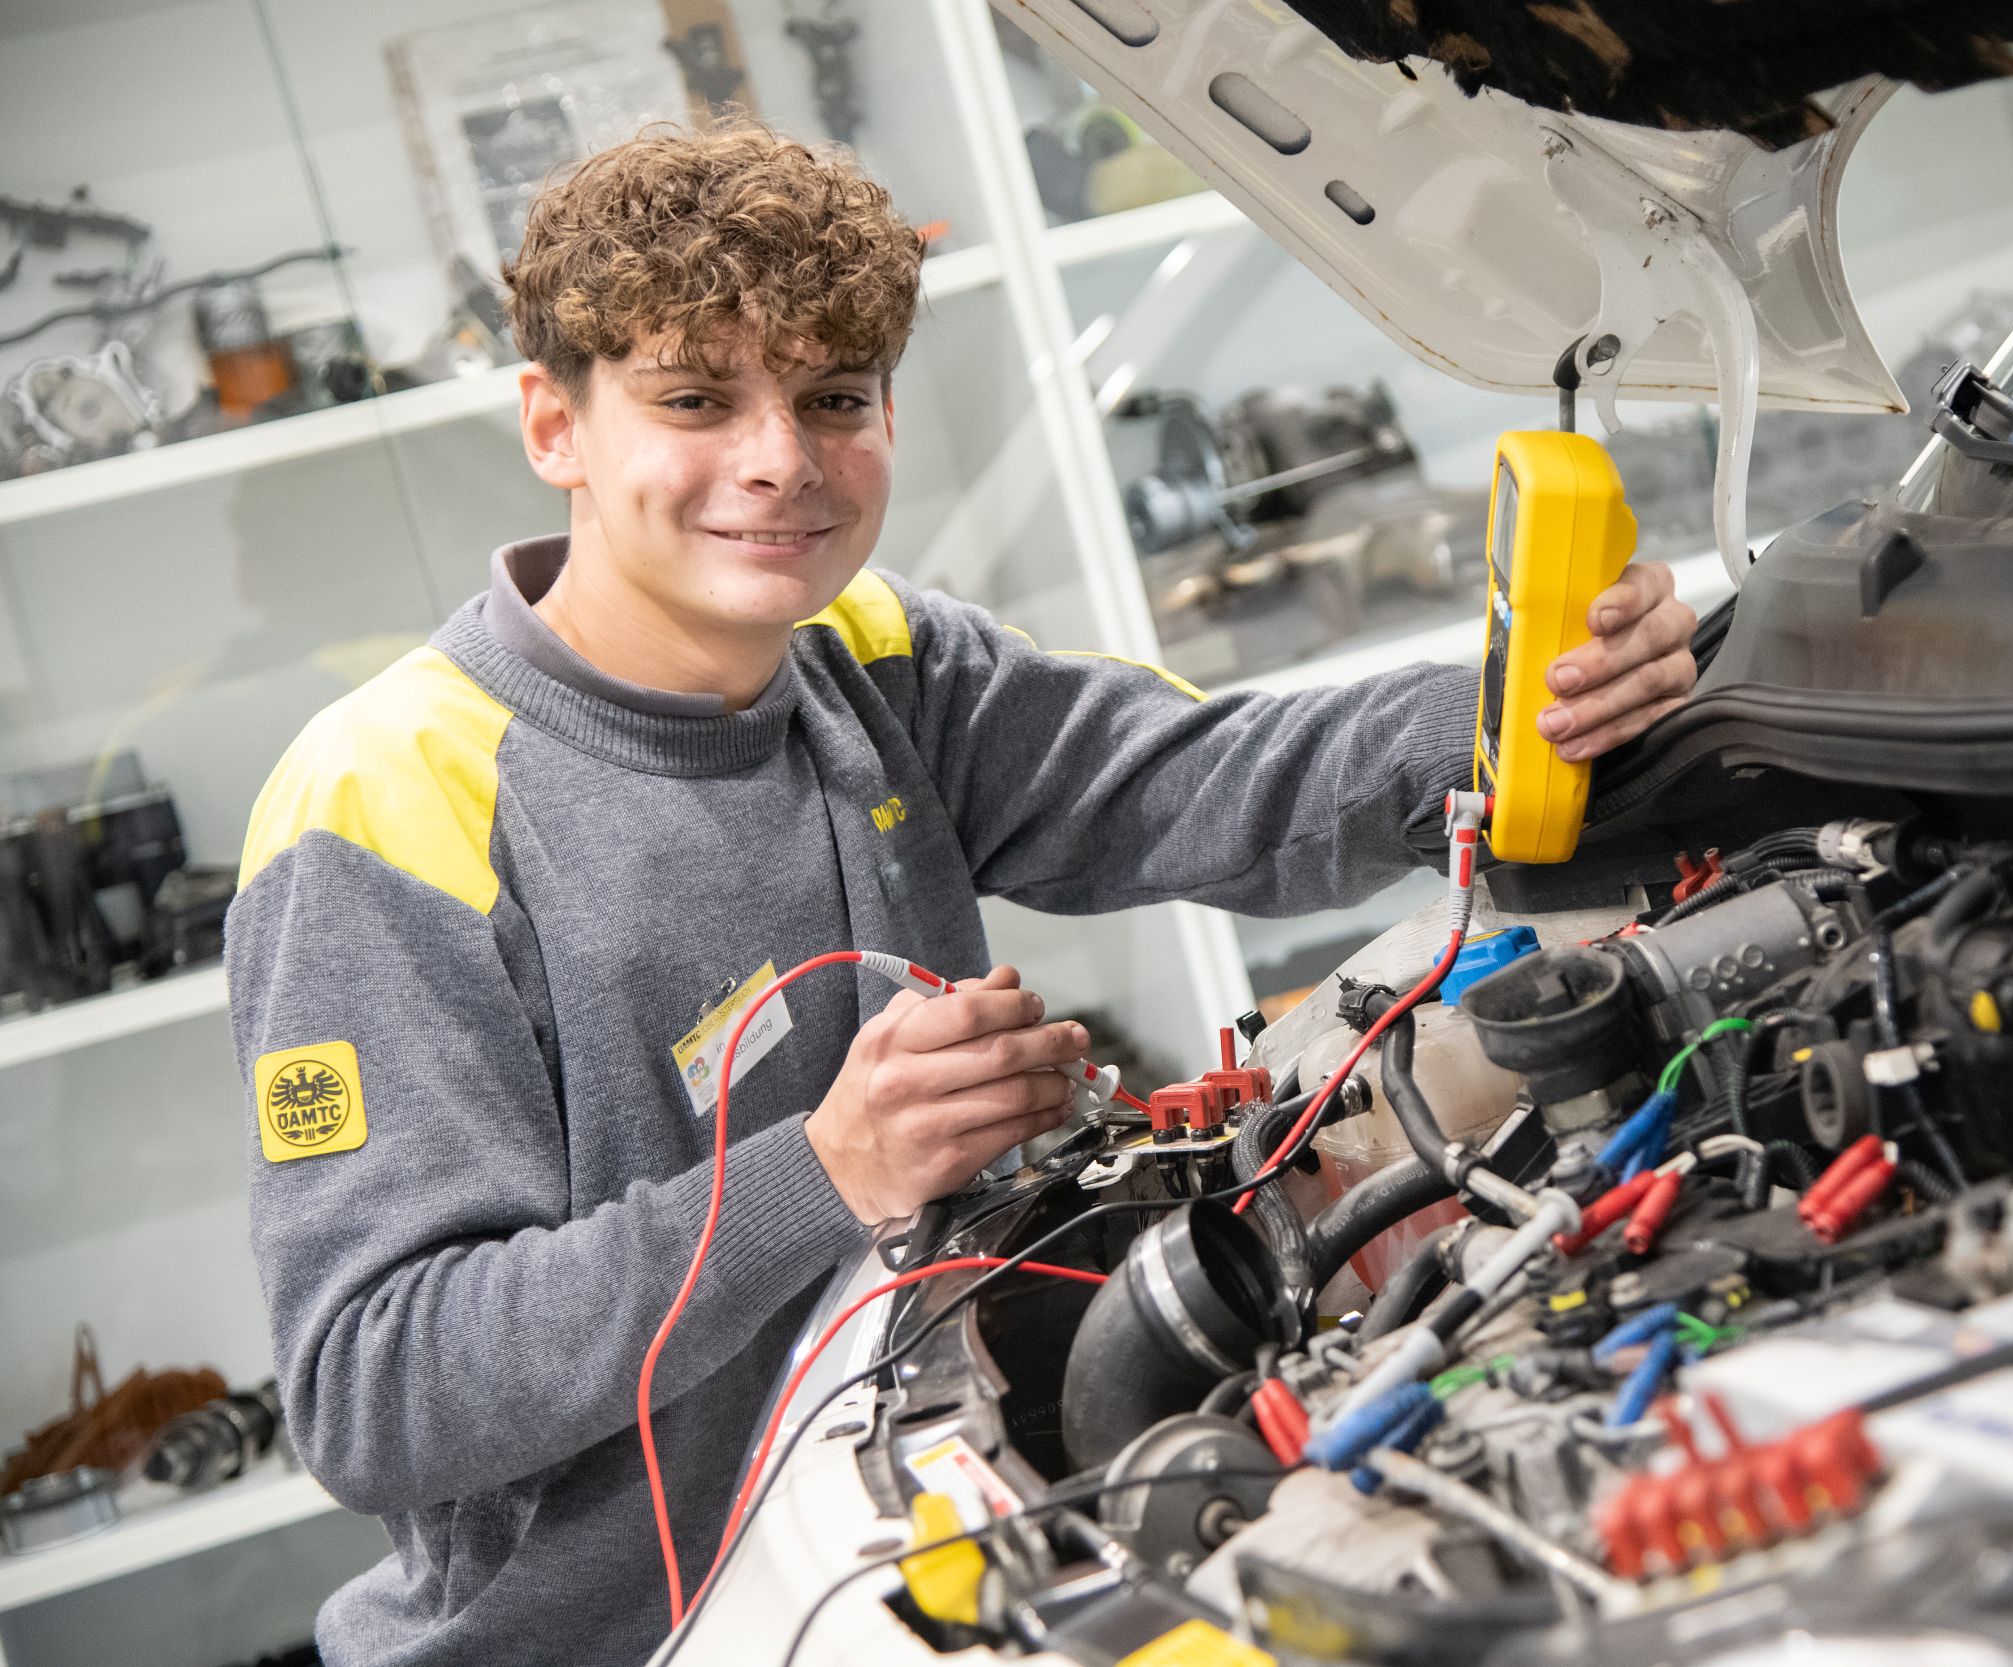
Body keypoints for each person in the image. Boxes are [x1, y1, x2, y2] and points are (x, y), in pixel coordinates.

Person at [226, 122, 1699, 1667]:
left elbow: (1209, 779)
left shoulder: (866, 658)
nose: (780, 458)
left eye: (835, 398)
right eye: (693, 400)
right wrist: (830, 1166)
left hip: (905, 1555)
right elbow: (374, 1391)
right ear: (554, 424)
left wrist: (1524, 704)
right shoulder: (387, 804)